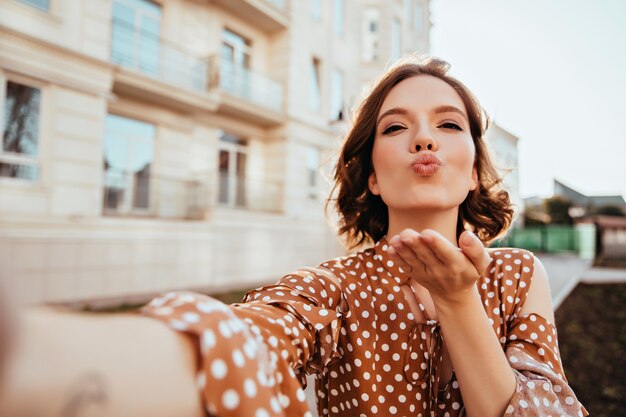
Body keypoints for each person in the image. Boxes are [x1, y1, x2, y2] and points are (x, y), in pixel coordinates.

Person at [0, 56, 588, 417]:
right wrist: (36, 361)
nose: (425, 139)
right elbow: (254, 337)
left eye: (448, 124)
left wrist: (460, 303)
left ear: (473, 164)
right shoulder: (330, 287)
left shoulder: (517, 276)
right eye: (396, 126)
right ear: (373, 176)